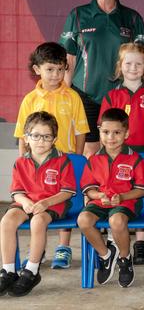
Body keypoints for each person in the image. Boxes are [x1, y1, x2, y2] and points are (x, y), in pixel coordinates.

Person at [59, 0, 144, 156]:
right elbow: (69, 59)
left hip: (121, 95)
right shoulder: (77, 15)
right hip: (85, 96)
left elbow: (143, 59)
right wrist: (65, 96)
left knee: (119, 151)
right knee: (89, 152)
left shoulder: (132, 18)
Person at [13, 42, 89, 270]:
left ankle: (63, 248)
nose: (55, 75)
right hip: (36, 166)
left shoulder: (73, 97)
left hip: (63, 164)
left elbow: (81, 130)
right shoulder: (29, 99)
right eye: (50, 69)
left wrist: (76, 160)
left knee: (62, 204)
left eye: (60, 69)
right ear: (37, 69)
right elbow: (21, 135)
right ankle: (38, 250)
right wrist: (24, 161)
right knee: (37, 207)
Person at [99, 42, 144, 265]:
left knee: (143, 195)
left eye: (139, 63)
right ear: (120, 66)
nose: (133, 67)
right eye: (128, 63)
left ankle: (140, 242)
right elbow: (103, 129)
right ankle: (113, 238)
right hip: (117, 156)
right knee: (117, 194)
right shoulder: (112, 95)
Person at [0, 112, 76, 297]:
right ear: (26, 138)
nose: (40, 141)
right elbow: (16, 192)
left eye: (46, 136)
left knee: (38, 221)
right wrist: (25, 201)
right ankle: (8, 271)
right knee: (7, 221)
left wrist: (46, 202)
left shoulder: (62, 161)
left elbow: (67, 192)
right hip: (27, 203)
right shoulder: (20, 162)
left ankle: (32, 271)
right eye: (35, 135)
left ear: (54, 139)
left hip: (53, 203)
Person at [77, 108, 144, 288]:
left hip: (127, 202)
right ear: (100, 132)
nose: (111, 137)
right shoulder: (93, 159)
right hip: (100, 202)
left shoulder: (135, 158)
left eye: (117, 132)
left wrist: (123, 196)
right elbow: (88, 188)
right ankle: (106, 256)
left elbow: (142, 189)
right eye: (106, 132)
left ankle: (125, 259)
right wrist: (98, 195)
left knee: (116, 221)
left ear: (126, 133)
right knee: (83, 220)